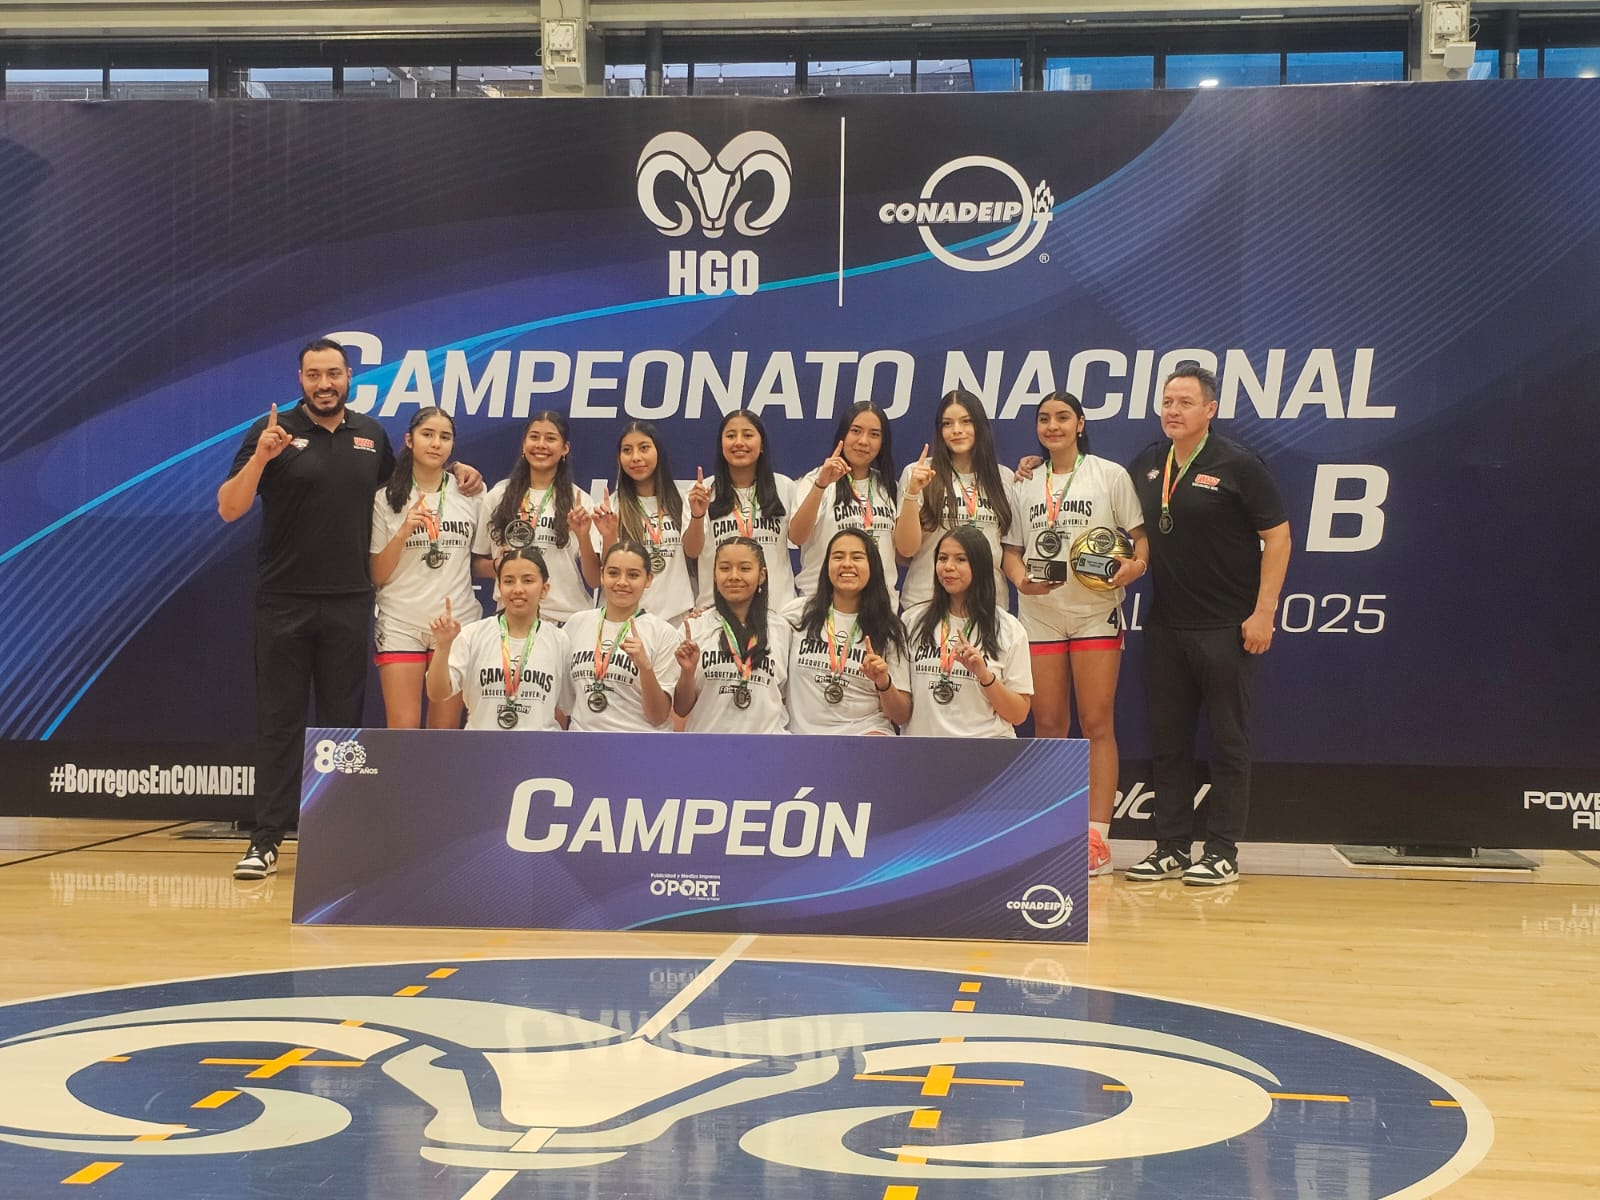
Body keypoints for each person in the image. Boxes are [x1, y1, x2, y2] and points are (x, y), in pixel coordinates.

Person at [217, 337, 481, 881]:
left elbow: (407, 484)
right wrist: (262, 456)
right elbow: (229, 508)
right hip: (284, 601)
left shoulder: (371, 434)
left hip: (349, 602)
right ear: (300, 379)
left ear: (348, 377)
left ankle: (334, 844)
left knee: (342, 730)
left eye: (333, 374)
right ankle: (266, 840)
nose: (324, 384)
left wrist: (460, 471)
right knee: (281, 722)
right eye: (314, 375)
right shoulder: (272, 432)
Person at [1123, 363, 1290, 888]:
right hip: (1166, 626)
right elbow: (1112, 504)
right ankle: (1171, 847)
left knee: (1227, 742)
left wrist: (1263, 613)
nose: (1173, 411)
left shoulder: (1238, 464)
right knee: (1169, 742)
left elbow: (1279, 538)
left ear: (1210, 410)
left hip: (1226, 628)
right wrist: (1031, 469)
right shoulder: (1148, 462)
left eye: (1185, 402)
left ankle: (1221, 852)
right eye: (1168, 402)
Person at [1002, 392, 1148, 876]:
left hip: (1094, 613)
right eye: (1044, 419)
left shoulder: (1110, 475)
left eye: (1063, 417)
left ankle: (1095, 839)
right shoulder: (1025, 482)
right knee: (1047, 724)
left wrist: (1134, 567)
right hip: (1040, 614)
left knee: (1097, 722)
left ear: (1080, 424)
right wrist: (1022, 581)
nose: (1053, 426)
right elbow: (1011, 551)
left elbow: (1139, 540)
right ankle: (1051, 832)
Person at [370, 406, 487, 730]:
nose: (436, 443)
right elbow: (377, 574)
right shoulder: (385, 499)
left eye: (445, 437)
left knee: (443, 733)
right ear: (409, 440)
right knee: (403, 730)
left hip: (454, 621)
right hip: (401, 621)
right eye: (427, 435)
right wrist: (403, 532)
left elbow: (480, 559)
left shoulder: (471, 494)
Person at [894, 388, 1018, 614]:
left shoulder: (1004, 478)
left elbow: (1011, 548)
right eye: (947, 424)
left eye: (966, 421)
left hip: (987, 605)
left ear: (980, 426)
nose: (957, 430)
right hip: (927, 601)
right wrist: (912, 492)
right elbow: (905, 549)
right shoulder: (919, 472)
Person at [904, 526, 1033, 739]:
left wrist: (985, 676)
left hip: (986, 748)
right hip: (924, 748)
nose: (948, 567)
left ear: (980, 565)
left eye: (960, 559)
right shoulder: (912, 621)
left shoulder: (1009, 629)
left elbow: (1018, 714)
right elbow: (900, 708)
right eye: (942, 558)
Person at [425, 548, 569, 732]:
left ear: (544, 589)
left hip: (537, 748)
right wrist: (443, 647)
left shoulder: (559, 640)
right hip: (483, 746)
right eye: (509, 581)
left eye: (528, 580)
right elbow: (436, 693)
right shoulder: (473, 635)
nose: (518, 589)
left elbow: (564, 707)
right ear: (499, 587)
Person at [785, 528, 910, 735]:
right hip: (803, 739)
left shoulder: (890, 628)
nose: (847, 564)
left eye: (857, 557)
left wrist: (883, 683)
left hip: (865, 734)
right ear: (826, 566)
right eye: (838, 557)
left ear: (872, 566)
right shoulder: (797, 614)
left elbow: (901, 715)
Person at [482, 411, 600, 624]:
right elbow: (475, 564)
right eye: (534, 437)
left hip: (565, 618)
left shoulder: (580, 501)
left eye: (551, 438)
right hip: (512, 617)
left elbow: (594, 580)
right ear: (523, 444)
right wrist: (498, 565)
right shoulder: (497, 497)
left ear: (565, 448)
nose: (541, 445)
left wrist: (583, 536)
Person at [562, 540, 682, 733]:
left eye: (633, 575)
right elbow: (566, 702)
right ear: (602, 575)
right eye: (613, 573)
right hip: (583, 743)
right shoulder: (576, 624)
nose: (622, 582)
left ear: (648, 579)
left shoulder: (664, 633)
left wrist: (645, 668)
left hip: (638, 743)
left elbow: (658, 716)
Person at [789, 401, 900, 605]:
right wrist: (821, 485)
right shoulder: (815, 480)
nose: (863, 441)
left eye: (874, 434)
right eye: (855, 431)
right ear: (843, 435)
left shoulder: (890, 487)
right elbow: (797, 536)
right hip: (823, 604)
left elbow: (903, 553)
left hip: (879, 607)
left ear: (882, 442)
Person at [674, 538, 791, 733]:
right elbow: (681, 708)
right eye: (725, 568)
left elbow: (786, 699)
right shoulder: (694, 628)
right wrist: (687, 672)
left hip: (768, 745)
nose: (734, 576)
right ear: (714, 575)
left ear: (761, 575)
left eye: (744, 568)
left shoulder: (782, 629)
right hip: (710, 743)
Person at [595, 420, 701, 625]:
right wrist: (609, 535)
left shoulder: (684, 501)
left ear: (658, 451)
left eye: (644, 448)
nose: (636, 457)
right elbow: (608, 567)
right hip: (625, 618)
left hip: (676, 618)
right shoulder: (611, 507)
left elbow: (694, 552)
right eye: (627, 450)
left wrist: (697, 516)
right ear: (619, 458)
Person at [690, 410, 797, 608]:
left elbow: (799, 538)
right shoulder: (702, 491)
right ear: (721, 445)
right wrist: (697, 514)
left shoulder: (784, 487)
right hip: (717, 611)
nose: (739, 442)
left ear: (762, 444)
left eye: (748, 435)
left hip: (777, 609)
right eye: (731, 436)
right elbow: (692, 550)